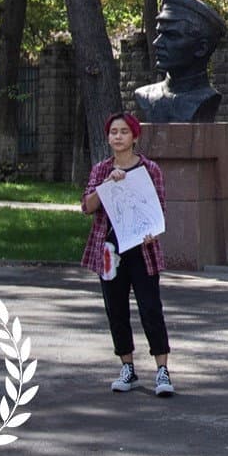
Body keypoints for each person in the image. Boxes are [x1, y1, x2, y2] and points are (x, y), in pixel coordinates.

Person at [80, 112, 175, 397]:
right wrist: (108, 184)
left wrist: (152, 233)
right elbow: (87, 206)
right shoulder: (101, 170)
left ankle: (162, 369)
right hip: (110, 251)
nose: (118, 137)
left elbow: (158, 209)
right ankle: (127, 367)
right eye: (113, 132)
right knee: (116, 310)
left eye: (123, 132)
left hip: (142, 250)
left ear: (134, 136)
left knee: (150, 309)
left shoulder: (150, 168)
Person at [133, 0, 226, 123]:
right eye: (159, 34)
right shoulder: (145, 96)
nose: (157, 43)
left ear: (201, 48)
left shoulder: (207, 100)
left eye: (171, 36)